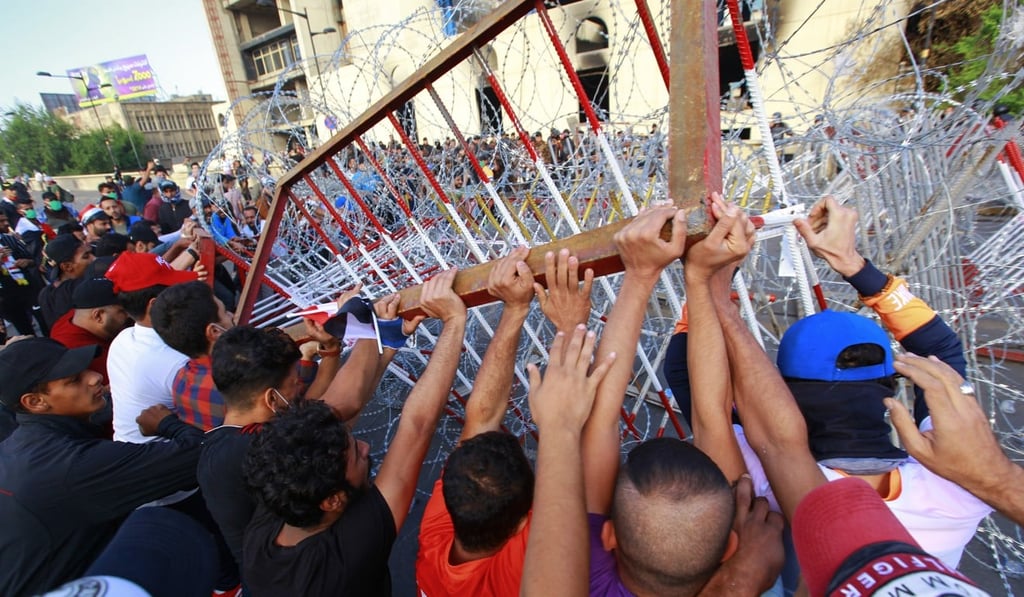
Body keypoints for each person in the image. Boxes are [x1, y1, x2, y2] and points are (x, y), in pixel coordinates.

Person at [584, 206, 783, 596]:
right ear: (730, 546)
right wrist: (696, 279)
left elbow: (604, 417)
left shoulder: (582, 577)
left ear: (609, 537)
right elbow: (711, 418)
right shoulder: (760, 576)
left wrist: (647, 277)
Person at [241, 268, 464, 596]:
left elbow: (338, 412)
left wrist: (381, 338)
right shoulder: (344, 557)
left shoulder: (279, 508)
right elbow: (416, 427)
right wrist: (454, 321)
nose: (363, 446)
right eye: (355, 453)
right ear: (333, 500)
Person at [415, 248, 592, 596]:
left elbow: (481, 419)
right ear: (523, 525)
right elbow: (583, 467)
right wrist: (572, 327)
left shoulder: (437, 543)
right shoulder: (517, 572)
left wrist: (514, 309)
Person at [200, 291, 407, 567]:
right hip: (308, 571)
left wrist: (336, 351)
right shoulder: (257, 446)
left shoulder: (229, 436)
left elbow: (329, 415)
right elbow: (346, 402)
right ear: (272, 399)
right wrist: (362, 322)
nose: (301, 387)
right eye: (295, 384)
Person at [0, 338, 205, 596]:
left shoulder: (18, 448)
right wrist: (166, 423)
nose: (95, 377)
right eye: (74, 380)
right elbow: (201, 453)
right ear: (35, 402)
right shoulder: (71, 466)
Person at [104, 252, 200, 444]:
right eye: (177, 290)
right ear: (155, 306)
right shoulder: (177, 360)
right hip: (167, 460)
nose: (185, 296)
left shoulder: (123, 339)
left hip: (130, 453)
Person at [150, 281, 236, 430]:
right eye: (225, 312)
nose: (232, 315)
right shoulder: (241, 382)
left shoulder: (180, 379)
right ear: (215, 331)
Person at [49, 277, 131, 384]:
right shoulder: (79, 354)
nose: (129, 315)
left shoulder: (77, 317)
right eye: (123, 311)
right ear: (98, 316)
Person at [37, 235, 96, 329]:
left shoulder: (45, 294)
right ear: (67, 266)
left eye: (91, 253)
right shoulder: (87, 287)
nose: (94, 258)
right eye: (86, 256)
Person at [0, 212, 40, 336]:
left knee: (42, 317)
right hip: (6, 296)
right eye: (1, 221)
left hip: (27, 288)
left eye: (6, 220)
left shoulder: (10, 239)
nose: (6, 223)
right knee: (25, 330)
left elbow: (33, 260)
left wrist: (27, 261)